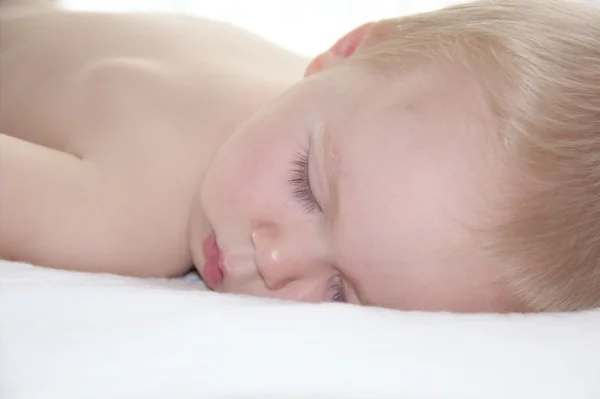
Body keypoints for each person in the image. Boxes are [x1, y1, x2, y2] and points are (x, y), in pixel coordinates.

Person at [1, 0, 599, 313]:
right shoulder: (126, 218)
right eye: (305, 184)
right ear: (348, 48)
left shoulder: (339, 98)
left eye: (341, 293)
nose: (275, 256)